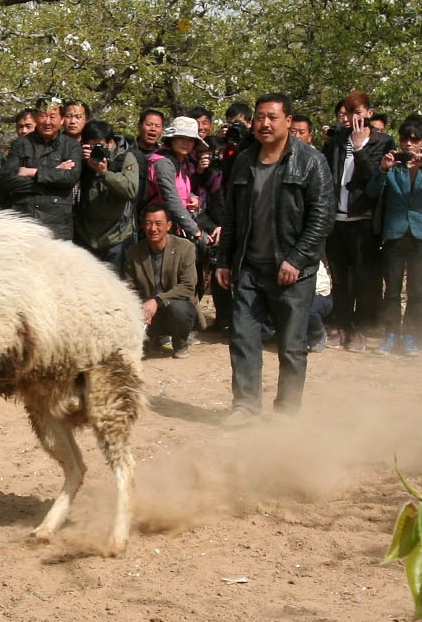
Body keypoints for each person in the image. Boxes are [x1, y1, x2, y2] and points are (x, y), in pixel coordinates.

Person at [215, 93, 334, 422]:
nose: (264, 123)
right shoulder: (243, 161)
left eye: (272, 117)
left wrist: (296, 259)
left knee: (292, 346)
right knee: (242, 337)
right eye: (259, 117)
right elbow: (232, 216)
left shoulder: (311, 162)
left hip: (294, 270)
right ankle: (246, 406)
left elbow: (321, 218)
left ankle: (287, 412)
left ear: (288, 121)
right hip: (249, 267)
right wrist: (224, 259)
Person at [366, 116, 422, 356]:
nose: (409, 144)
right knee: (391, 288)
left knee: (419, 289)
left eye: (415, 140)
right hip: (395, 233)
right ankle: (391, 334)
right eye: (405, 139)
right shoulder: (392, 166)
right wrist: (382, 170)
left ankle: (411, 335)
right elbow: (372, 192)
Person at [322, 91, 392, 351]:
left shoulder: (382, 142)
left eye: (359, 113)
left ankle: (360, 329)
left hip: (364, 220)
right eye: (349, 113)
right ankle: (341, 326)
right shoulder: (335, 141)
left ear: (369, 114)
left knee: (363, 279)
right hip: (337, 220)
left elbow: (373, 178)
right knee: (340, 278)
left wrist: (361, 147)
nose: (354, 118)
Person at [1, 96, 82, 242]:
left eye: (53, 116)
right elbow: (8, 181)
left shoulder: (71, 146)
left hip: (57, 226)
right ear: (37, 117)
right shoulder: (21, 144)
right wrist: (54, 172)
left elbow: (70, 178)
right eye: (43, 116)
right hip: (24, 223)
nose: (47, 122)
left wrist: (34, 172)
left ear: (62, 119)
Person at [124, 204, 198, 357]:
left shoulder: (185, 248)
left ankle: (180, 343)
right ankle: (153, 338)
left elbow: (188, 286)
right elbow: (129, 289)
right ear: (143, 226)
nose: (153, 229)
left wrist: (157, 301)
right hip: (148, 315)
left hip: (175, 310)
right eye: (148, 223)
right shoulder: (133, 253)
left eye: (158, 224)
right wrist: (141, 307)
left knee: (180, 309)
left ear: (169, 225)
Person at [74, 121, 140, 270]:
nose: (95, 151)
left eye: (99, 146)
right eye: (91, 147)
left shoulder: (125, 158)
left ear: (110, 143)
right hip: (86, 235)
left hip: (116, 236)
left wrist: (104, 172)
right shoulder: (81, 158)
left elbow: (130, 190)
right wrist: (79, 161)